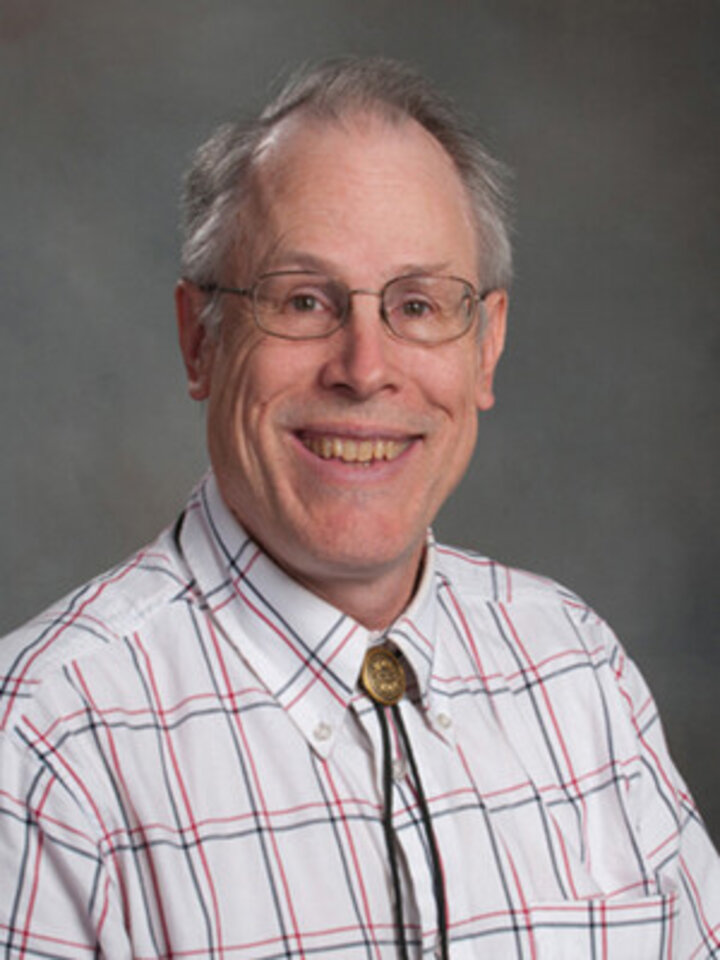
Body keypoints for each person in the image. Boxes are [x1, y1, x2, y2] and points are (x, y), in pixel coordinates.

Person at [1, 57, 718, 960]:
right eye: (303, 300)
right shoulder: (44, 742)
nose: (365, 366)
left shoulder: (578, 674)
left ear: (486, 347)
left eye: (418, 305)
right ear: (200, 342)